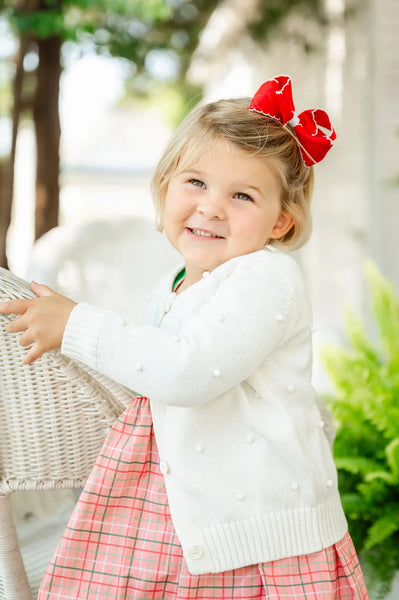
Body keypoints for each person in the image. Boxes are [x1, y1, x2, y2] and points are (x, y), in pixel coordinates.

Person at [0, 75, 368, 599]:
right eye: (195, 182)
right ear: (166, 184)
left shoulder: (266, 278)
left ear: (281, 222)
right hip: (183, 509)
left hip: (260, 536)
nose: (212, 206)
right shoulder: (175, 283)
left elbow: (185, 370)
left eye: (242, 195)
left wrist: (76, 324)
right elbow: (147, 363)